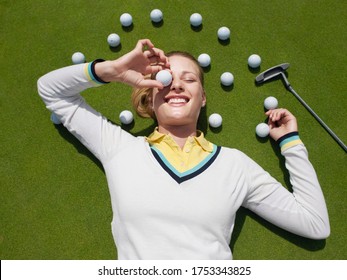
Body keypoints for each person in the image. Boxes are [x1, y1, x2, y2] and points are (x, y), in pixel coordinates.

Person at [38, 39, 330, 260]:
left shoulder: (235, 165)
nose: (175, 85)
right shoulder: (119, 148)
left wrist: (291, 143)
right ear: (150, 99)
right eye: (164, 80)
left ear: (202, 98)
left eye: (189, 79)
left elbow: (315, 224)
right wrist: (113, 70)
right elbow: (50, 90)